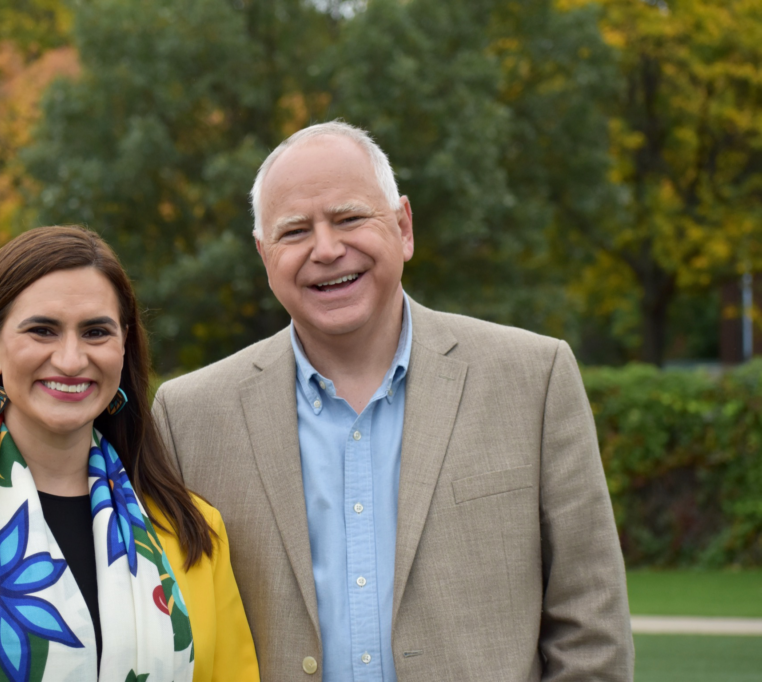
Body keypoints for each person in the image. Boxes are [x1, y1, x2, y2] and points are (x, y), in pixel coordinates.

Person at [152, 122, 634, 680]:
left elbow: (591, 624)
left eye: (350, 218)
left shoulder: (534, 379)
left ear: (403, 227)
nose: (327, 249)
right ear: (265, 256)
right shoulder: (189, 416)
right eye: (294, 231)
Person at [0, 226, 259, 682]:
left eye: (96, 331)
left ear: (123, 346)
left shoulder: (193, 526)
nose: (71, 360)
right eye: (42, 330)